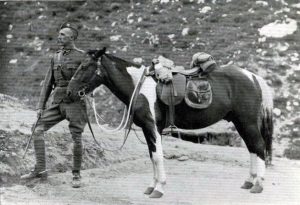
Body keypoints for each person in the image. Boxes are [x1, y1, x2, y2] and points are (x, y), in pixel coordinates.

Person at [21, 23, 87, 188]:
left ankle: (76, 174)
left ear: (72, 38)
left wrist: (84, 93)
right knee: (37, 129)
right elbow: (47, 84)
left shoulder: (82, 57)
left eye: (63, 35)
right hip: (57, 102)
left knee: (76, 138)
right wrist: (40, 106)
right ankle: (41, 169)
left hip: (75, 104)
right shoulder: (55, 57)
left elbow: (89, 80)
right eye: (59, 34)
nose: (59, 37)